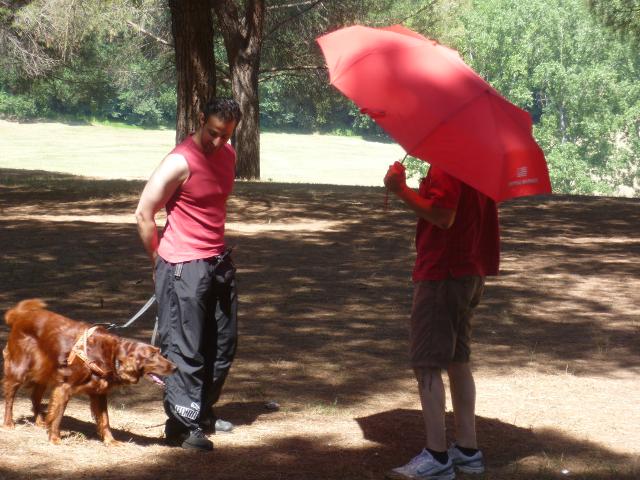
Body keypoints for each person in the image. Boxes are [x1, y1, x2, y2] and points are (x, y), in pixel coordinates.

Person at [135, 98, 242, 451]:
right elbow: (144, 213)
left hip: (217, 262)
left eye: (225, 135)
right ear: (200, 120)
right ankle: (181, 426)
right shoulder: (179, 161)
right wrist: (158, 261)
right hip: (182, 265)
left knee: (222, 344)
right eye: (212, 132)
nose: (218, 141)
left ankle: (202, 411)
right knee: (185, 349)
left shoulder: (228, 154)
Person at [383, 161, 499, 480]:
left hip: (443, 273)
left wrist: (400, 190)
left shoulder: (449, 165)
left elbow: (443, 216)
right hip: (469, 270)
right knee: (457, 360)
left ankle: (437, 456)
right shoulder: (478, 163)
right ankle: (467, 450)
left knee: (427, 363)